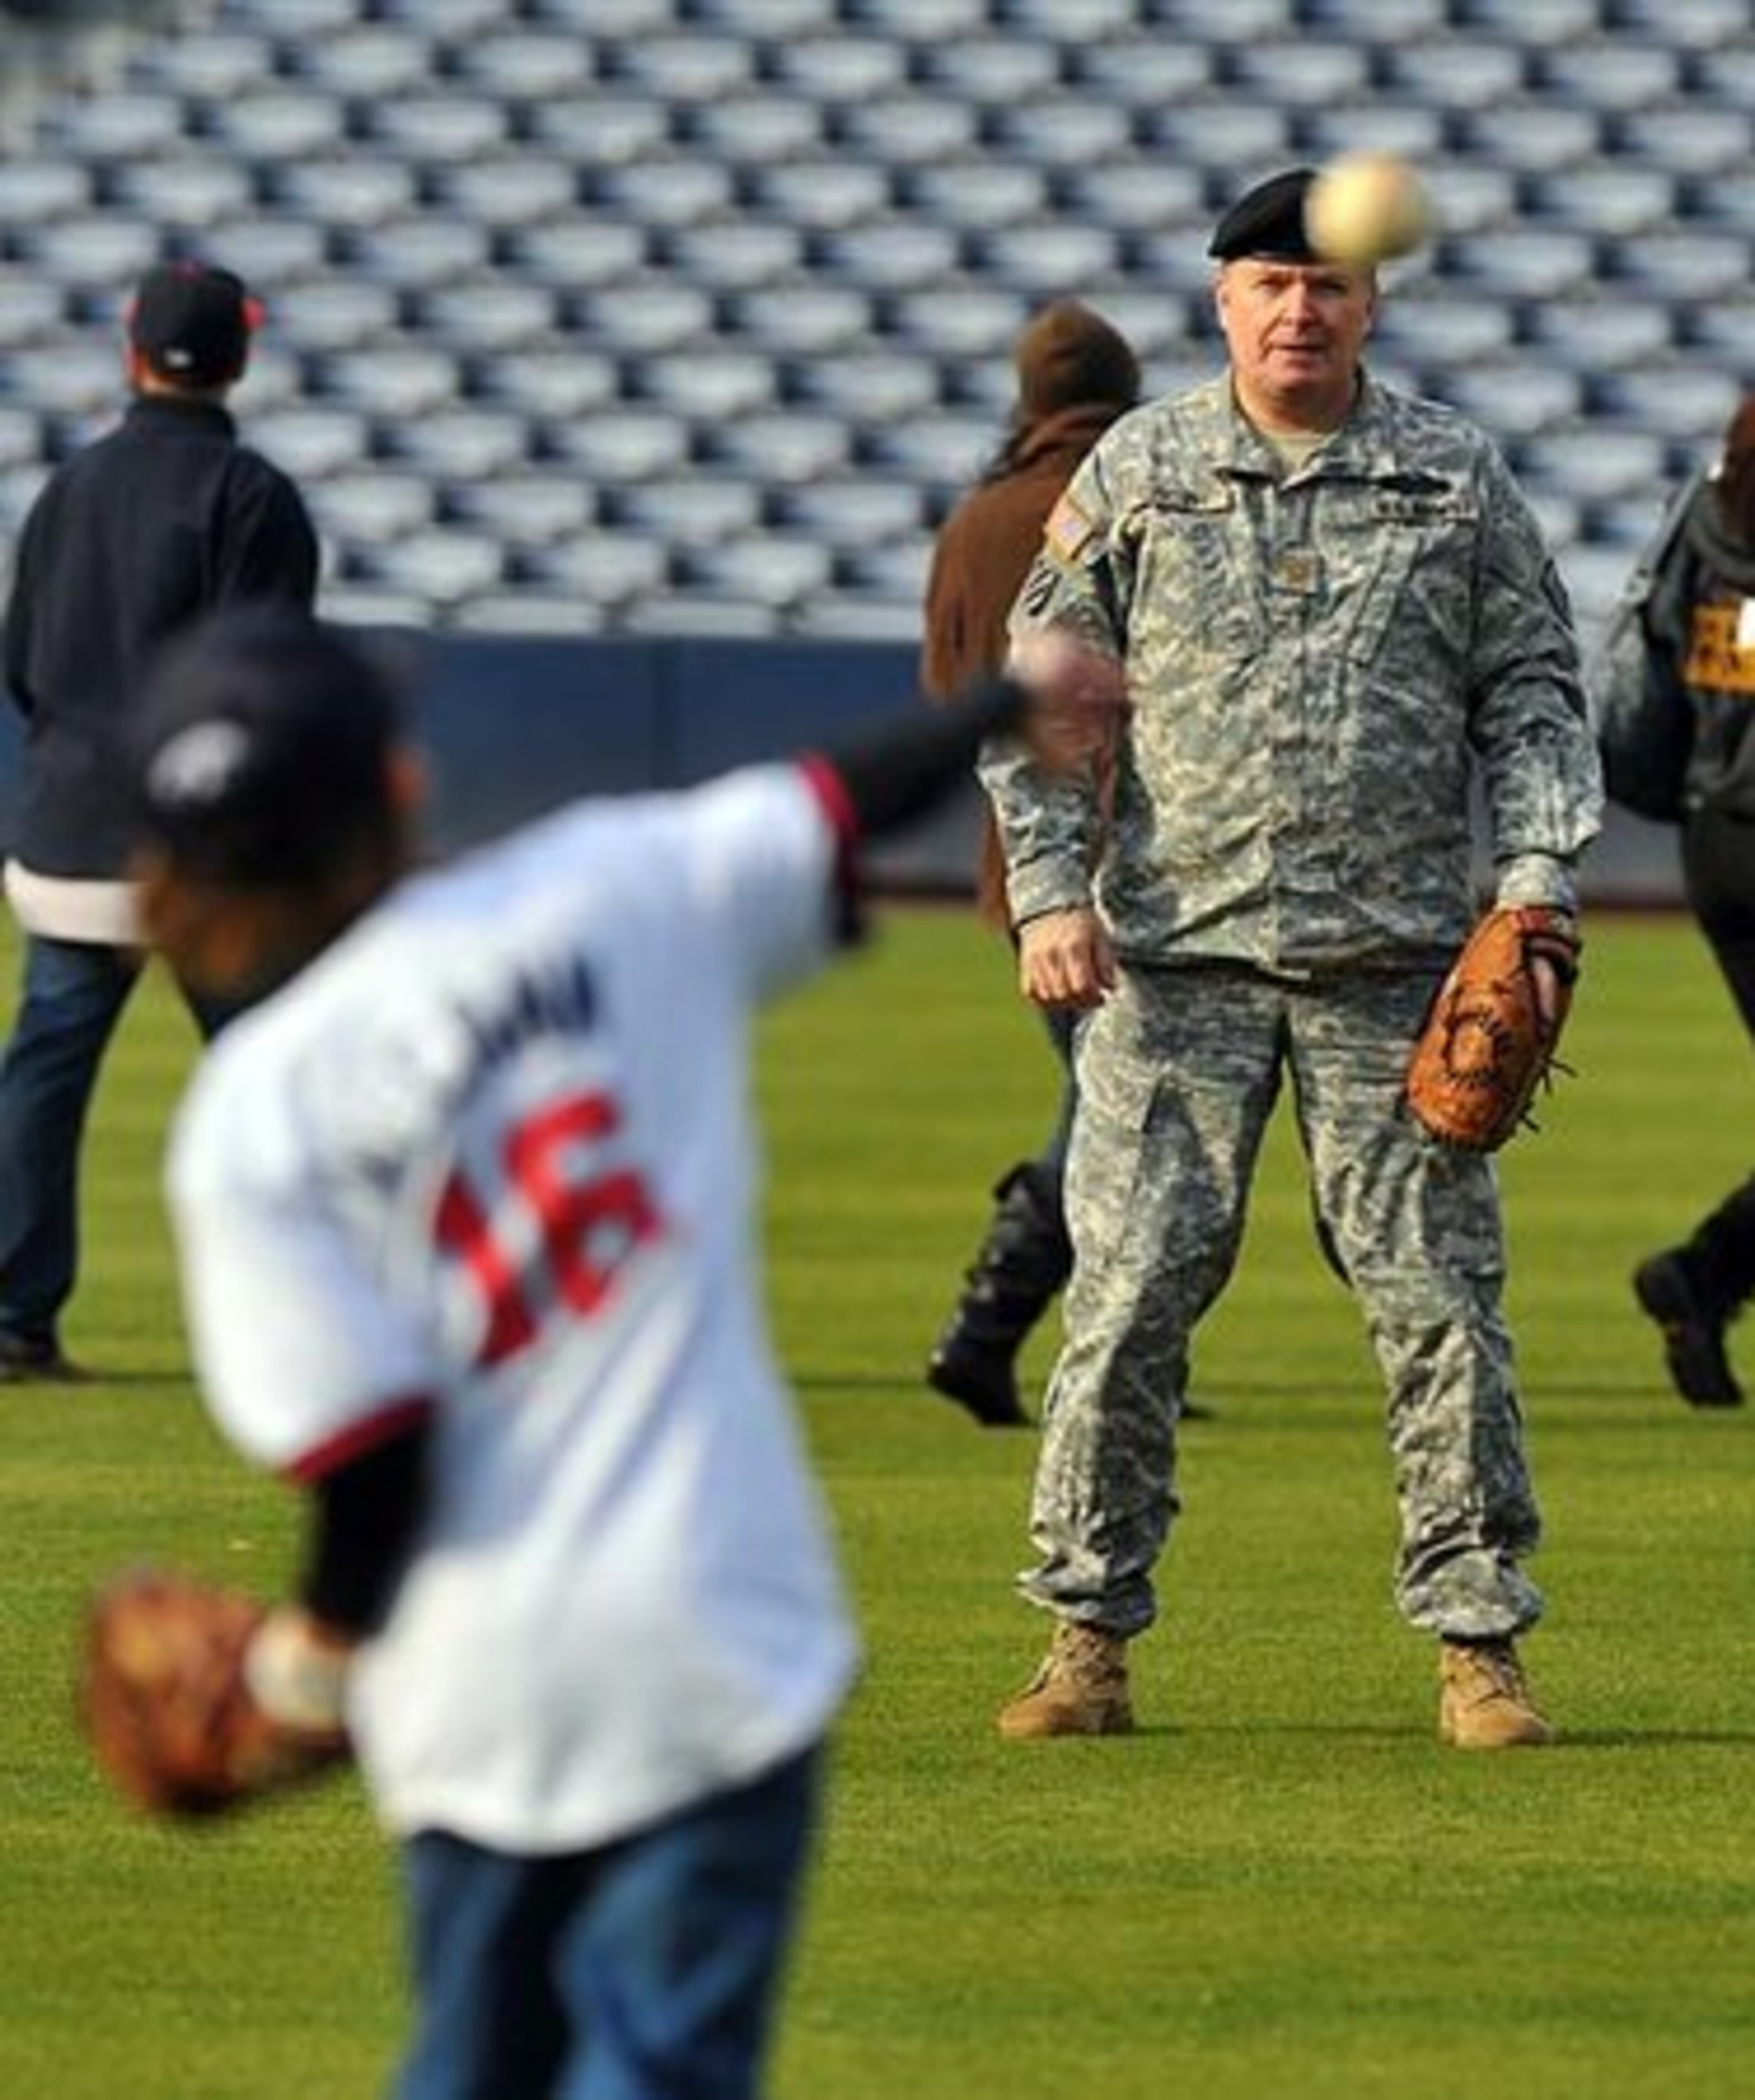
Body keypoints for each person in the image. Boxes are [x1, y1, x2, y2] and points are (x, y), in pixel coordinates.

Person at [122, 607, 1121, 2098]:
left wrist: (310, 1666)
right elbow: (836, 796)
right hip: (710, 1640)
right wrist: (1009, 694)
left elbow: (369, 1455)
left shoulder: (250, 1116)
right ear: (396, 791)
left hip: (466, 1686)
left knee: (473, 2062)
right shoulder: (601, 892)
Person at [978, 166, 1603, 1750]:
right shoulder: (1144, 467)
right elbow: (1042, 690)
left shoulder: (1453, 478)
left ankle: (1480, 1648)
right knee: (1126, 1304)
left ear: (1368, 300)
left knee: (1439, 1311)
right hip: (1173, 965)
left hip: (1392, 968)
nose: (1299, 307)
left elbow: (1534, 694)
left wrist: (1533, 888)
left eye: (1325, 283)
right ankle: (1084, 1639)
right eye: (1269, 281)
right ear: (1223, 301)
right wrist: (1051, 891)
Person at [0, 259, 319, 1380]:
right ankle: (312, 1316)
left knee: (44, 1070)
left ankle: (12, 1317)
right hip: (200, 850)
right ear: (241, 354)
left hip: (71, 835)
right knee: (276, 1076)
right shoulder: (256, 500)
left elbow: (23, 664)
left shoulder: (70, 489)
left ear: (132, 350)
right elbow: (265, 687)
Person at [921, 297, 1142, 1429]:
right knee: (1119, 1117)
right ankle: (991, 1323)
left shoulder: (978, 518)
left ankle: (1096, 1345)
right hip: (1151, 854)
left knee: (1114, 1108)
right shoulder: (1148, 495)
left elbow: (950, 699)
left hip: (1026, 866)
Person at [1593, 393, 1755, 1409]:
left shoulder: (1709, 512)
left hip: (1718, 839)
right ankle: (1704, 1271)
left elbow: (1664, 656)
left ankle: (1705, 1278)